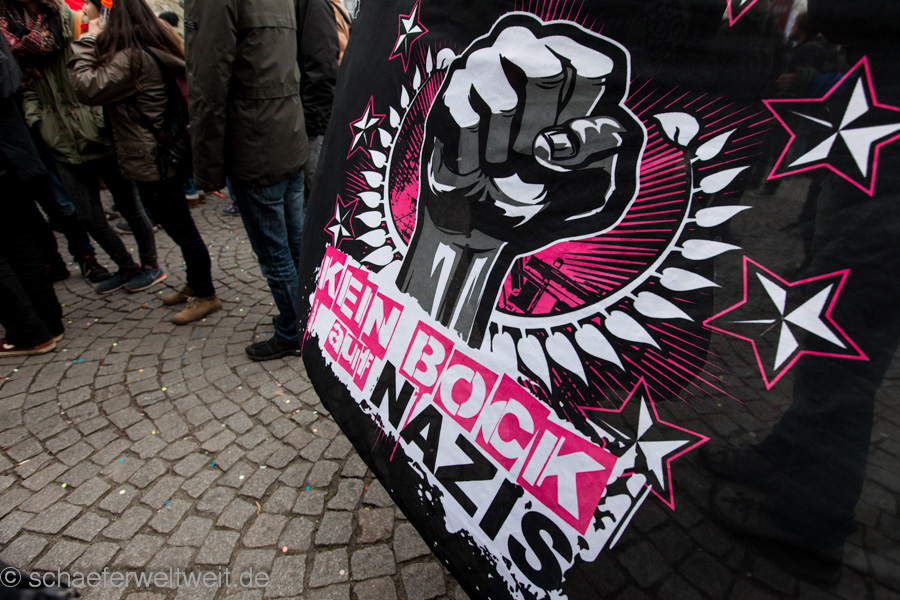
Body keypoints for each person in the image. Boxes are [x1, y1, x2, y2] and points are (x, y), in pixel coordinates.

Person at [68, 0, 221, 324]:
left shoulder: (132, 58)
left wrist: (88, 38)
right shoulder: (147, 47)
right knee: (180, 228)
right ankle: (196, 284)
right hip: (156, 155)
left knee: (183, 230)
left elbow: (86, 87)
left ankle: (206, 295)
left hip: (154, 160)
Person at [0, 0, 163, 294]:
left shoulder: (74, 22)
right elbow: (28, 89)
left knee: (129, 206)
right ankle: (126, 265)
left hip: (100, 134)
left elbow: (105, 72)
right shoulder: (14, 37)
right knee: (88, 215)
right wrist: (40, 122)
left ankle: (151, 265)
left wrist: (98, 118)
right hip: (61, 140)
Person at [185, 0, 313, 360]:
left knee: (276, 252)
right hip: (286, 132)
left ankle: (294, 331)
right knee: (295, 242)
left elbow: (207, 84)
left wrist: (206, 168)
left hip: (255, 142)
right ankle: (307, 318)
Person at [0, 29, 63, 356]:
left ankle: (29, 331)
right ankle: (48, 321)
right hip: (11, 151)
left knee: (15, 242)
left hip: (8, 152)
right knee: (19, 238)